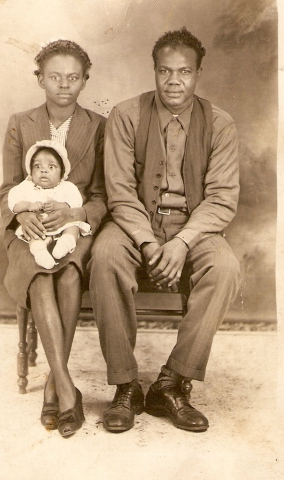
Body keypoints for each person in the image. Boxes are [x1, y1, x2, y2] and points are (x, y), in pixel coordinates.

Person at [89, 27, 241, 433]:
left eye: (184, 72)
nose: (174, 81)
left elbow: (222, 198)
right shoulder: (126, 114)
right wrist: (147, 241)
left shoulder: (220, 124)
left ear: (198, 74)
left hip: (194, 226)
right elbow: (120, 193)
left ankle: (173, 382)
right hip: (134, 220)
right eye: (165, 71)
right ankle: (125, 385)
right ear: (154, 72)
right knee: (104, 256)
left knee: (225, 267)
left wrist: (182, 243)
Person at [0, 39, 107, 438]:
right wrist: (22, 213)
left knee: (71, 272)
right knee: (39, 274)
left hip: (73, 226)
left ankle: (53, 385)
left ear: (85, 81)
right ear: (40, 78)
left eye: (74, 78)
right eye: (55, 77)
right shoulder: (20, 122)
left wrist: (77, 213)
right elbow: (7, 188)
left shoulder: (98, 126)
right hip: (28, 229)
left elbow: (100, 194)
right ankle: (65, 388)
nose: (64, 85)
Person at [8, 140, 91, 269]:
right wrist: (28, 206)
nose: (44, 171)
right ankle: (39, 252)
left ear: (62, 173)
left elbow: (75, 204)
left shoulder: (67, 187)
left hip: (63, 224)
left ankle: (67, 242)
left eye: (51, 167)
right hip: (39, 226)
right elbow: (14, 204)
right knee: (33, 235)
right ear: (30, 170)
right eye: (37, 166)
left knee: (73, 226)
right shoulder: (26, 186)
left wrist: (59, 205)